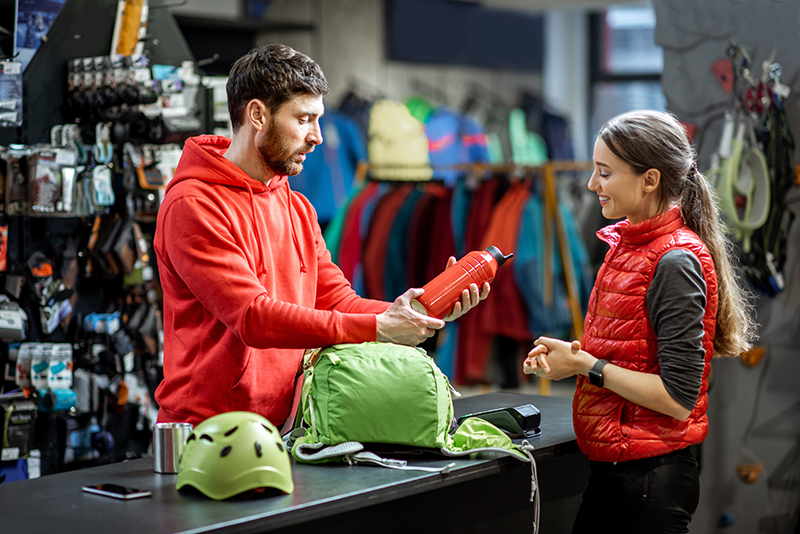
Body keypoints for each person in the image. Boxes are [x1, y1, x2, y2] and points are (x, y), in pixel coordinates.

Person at [154, 44, 488, 430]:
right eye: (303, 119)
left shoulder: (297, 208)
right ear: (258, 114)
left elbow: (338, 301)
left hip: (288, 423)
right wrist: (381, 328)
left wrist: (419, 312)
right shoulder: (193, 204)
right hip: (205, 430)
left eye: (318, 120)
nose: (318, 137)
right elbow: (252, 317)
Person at [523, 110, 755, 533]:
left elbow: (677, 398)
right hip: (618, 473)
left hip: (649, 482)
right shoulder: (625, 248)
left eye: (604, 173)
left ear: (650, 180)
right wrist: (572, 356)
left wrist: (585, 367)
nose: (593, 184)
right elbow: (630, 352)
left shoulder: (675, 261)